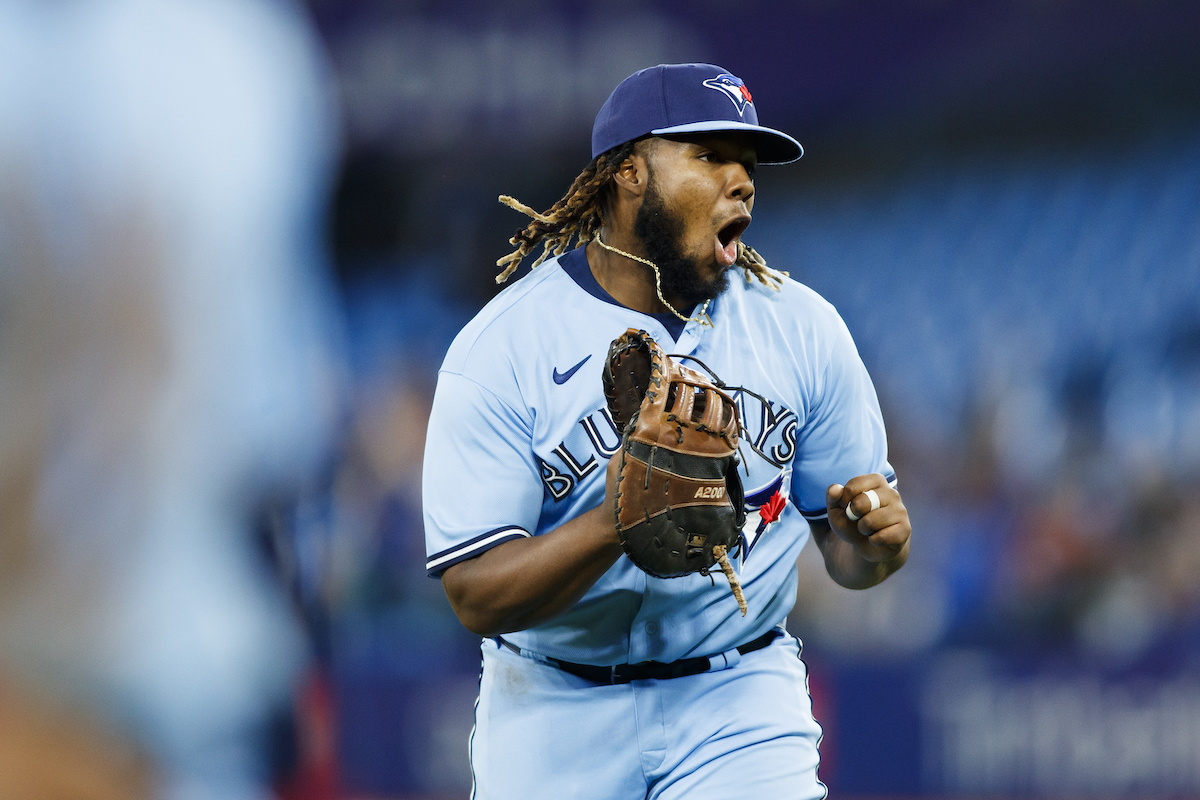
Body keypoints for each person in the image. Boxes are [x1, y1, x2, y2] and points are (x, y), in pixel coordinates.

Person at [422, 63, 911, 799]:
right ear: (628, 174)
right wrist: (614, 523)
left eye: (747, 163)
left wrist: (871, 546)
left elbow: (847, 556)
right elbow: (473, 594)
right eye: (710, 155)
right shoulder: (504, 348)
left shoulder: (802, 329)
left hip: (737, 694)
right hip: (555, 707)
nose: (741, 179)